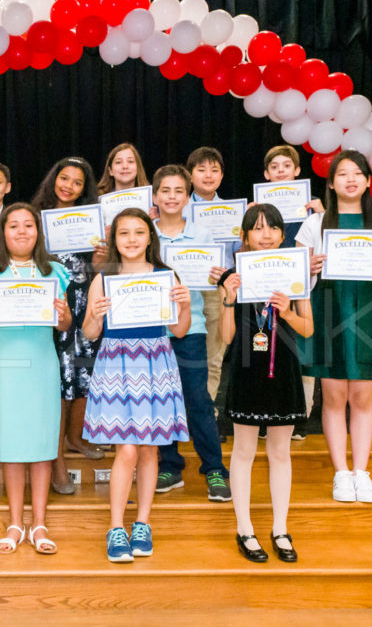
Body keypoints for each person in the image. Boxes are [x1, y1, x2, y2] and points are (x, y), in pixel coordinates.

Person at [296, 150, 372, 504]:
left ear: (367, 181)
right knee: (333, 396)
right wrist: (310, 268)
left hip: (371, 312)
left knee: (363, 396)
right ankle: (340, 474)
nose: (350, 179)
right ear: (331, 183)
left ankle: (362, 471)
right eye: (342, 174)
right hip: (329, 311)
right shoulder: (314, 225)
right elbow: (295, 280)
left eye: (357, 173)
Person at [81, 208, 191, 563]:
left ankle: (142, 523)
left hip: (156, 362)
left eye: (138, 233)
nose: (131, 239)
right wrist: (96, 314)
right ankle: (115, 527)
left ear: (149, 238)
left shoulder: (165, 275)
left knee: (148, 450)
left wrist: (185, 306)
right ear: (115, 239)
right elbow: (89, 333)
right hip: (116, 364)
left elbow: (180, 331)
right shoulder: (103, 277)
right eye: (123, 233)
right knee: (126, 449)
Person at [0, 203, 73, 555]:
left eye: (29, 225)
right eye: (14, 226)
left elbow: (65, 325)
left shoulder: (54, 271)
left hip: (41, 366)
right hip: (5, 368)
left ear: (38, 233)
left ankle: (39, 524)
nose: (22, 231)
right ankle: (15, 524)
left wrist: (62, 315)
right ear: (3, 233)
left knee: (42, 447)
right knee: (12, 447)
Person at [217, 204, 313, 563]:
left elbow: (308, 328)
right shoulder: (231, 275)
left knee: (279, 452)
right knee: (243, 451)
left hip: (284, 369)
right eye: (257, 229)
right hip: (245, 370)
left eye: (272, 227)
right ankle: (244, 529)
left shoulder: (294, 273)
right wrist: (229, 299)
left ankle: (280, 528)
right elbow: (226, 338)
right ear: (244, 236)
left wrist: (288, 312)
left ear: (282, 234)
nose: (266, 234)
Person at [151, 165, 231, 502]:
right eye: (165, 191)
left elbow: (219, 278)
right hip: (151, 331)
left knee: (198, 399)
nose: (171, 197)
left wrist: (218, 276)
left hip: (191, 329)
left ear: (188, 196)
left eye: (178, 191)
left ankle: (214, 469)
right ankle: (169, 464)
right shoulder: (143, 232)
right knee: (160, 401)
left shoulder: (202, 236)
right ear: (154, 196)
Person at [30, 156, 106, 496]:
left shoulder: (94, 223)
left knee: (85, 377)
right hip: (53, 309)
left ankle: (75, 438)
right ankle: (56, 456)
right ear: (53, 179)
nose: (69, 186)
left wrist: (102, 259)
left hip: (85, 305)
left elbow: (101, 270)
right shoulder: (35, 217)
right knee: (59, 383)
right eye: (64, 178)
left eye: (77, 182)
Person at [260, 144, 326, 441]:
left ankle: (300, 415)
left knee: (301, 350)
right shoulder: (258, 208)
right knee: (264, 347)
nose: (281, 170)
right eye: (275, 167)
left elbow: (328, 249)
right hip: (265, 285)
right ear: (266, 174)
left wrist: (323, 215)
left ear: (297, 171)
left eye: (287, 165)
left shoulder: (314, 210)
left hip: (301, 286)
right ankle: (265, 413)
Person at [184, 147, 232, 411]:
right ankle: (180, 414)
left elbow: (240, 253)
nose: (208, 175)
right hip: (183, 291)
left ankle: (206, 413)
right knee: (181, 356)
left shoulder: (232, 212)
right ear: (190, 175)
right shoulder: (175, 207)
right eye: (201, 169)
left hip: (216, 290)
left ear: (222, 176)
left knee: (213, 358)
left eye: (214, 170)